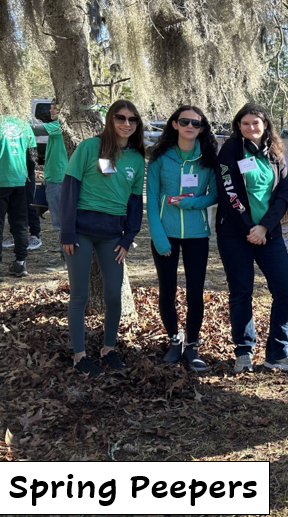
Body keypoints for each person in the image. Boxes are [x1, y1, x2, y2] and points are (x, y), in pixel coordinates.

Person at [215, 103, 288, 374]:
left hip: (269, 234)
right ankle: (243, 352)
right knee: (241, 291)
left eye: (256, 123)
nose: (251, 128)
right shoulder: (230, 150)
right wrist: (249, 228)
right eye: (245, 123)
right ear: (238, 127)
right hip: (234, 234)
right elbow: (228, 192)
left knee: (285, 287)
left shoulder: (275, 152)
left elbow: (282, 194)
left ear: (266, 124)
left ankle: (277, 352)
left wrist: (264, 227)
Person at [60, 100, 146, 378]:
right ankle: (79, 356)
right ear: (110, 120)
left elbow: (135, 202)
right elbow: (69, 190)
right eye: (120, 118)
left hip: (113, 236)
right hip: (81, 233)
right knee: (80, 295)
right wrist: (67, 231)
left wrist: (128, 236)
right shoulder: (88, 147)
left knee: (113, 295)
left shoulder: (136, 159)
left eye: (132, 120)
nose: (126, 124)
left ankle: (109, 349)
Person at [147, 105, 218, 372]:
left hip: (197, 235)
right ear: (175, 124)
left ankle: (193, 346)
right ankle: (174, 340)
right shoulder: (160, 158)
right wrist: (159, 237)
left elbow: (215, 195)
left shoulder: (208, 158)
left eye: (196, 123)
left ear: (202, 128)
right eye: (185, 121)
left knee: (195, 292)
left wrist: (192, 203)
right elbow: (151, 199)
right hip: (166, 234)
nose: (190, 126)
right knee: (167, 290)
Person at [0, 113, 37, 279]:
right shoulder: (23, 124)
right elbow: (32, 156)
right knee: (20, 224)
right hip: (19, 181)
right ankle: (20, 263)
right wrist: (28, 176)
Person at [43, 101, 69, 272]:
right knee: (59, 221)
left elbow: (35, 129)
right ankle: (63, 256)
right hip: (54, 178)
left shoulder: (60, 127)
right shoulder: (57, 126)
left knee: (61, 222)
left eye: (54, 107)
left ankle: (66, 260)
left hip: (60, 180)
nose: (51, 110)